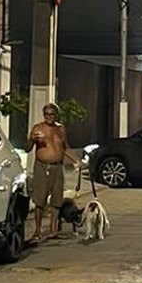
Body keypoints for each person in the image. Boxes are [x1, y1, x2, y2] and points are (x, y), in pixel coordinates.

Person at [27, 103, 82, 242]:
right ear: (43, 115)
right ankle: (38, 230)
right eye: (46, 114)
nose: (49, 117)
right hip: (42, 167)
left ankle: (53, 229)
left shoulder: (60, 129)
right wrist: (32, 139)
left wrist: (77, 161)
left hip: (58, 167)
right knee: (40, 200)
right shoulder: (38, 128)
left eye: (51, 114)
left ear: (56, 115)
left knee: (57, 200)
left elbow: (65, 148)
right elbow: (27, 147)